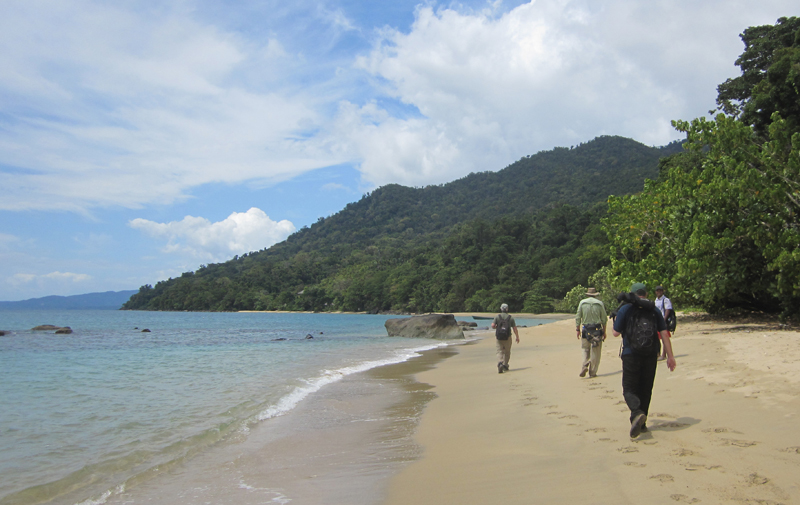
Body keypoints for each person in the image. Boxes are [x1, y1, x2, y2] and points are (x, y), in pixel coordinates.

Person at [612, 282, 676, 438]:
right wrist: (670, 357)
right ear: (646, 294)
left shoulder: (626, 309)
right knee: (645, 389)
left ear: (632, 294)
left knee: (629, 389)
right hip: (650, 354)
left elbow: (615, 333)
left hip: (630, 354)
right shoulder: (654, 309)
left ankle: (637, 413)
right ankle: (643, 423)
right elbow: (664, 333)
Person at [575, 287, 607, 378]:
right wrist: (604, 331)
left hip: (585, 329)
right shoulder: (599, 304)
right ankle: (592, 372)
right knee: (595, 352)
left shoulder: (582, 303)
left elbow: (578, 317)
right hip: (596, 330)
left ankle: (585, 364)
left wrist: (578, 330)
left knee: (585, 349)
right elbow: (604, 319)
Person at [492, 303, 520, 374]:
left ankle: (500, 363)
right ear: (507, 309)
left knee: (499, 351)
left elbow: (492, 325)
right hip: (507, 337)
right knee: (507, 351)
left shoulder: (497, 317)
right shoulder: (510, 318)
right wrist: (517, 337)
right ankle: (505, 365)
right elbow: (514, 328)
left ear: (501, 309)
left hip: (499, 337)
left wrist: (496, 327)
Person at [654, 286, 673, 360]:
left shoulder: (665, 300)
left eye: (660, 291)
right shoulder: (656, 301)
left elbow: (668, 310)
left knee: (664, 338)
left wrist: (664, 320)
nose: (659, 292)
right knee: (656, 338)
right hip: (656, 321)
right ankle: (657, 354)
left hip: (663, 321)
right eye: (657, 291)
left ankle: (664, 354)